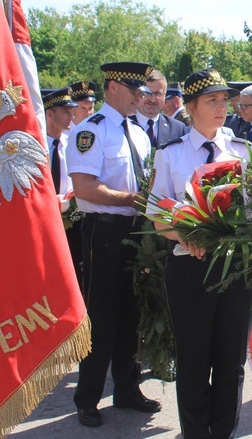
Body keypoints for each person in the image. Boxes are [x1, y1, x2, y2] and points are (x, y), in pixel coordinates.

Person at [148, 68, 252, 438]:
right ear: (191, 107)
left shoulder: (243, 152)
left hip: (238, 268)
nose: (222, 106)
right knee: (194, 364)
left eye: (225, 99)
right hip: (190, 269)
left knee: (231, 365)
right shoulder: (170, 155)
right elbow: (157, 215)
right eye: (212, 100)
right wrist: (184, 236)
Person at [66, 62, 160, 427]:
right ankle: (87, 397)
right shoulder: (90, 132)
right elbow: (85, 188)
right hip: (103, 232)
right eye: (135, 89)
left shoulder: (137, 133)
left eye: (144, 90)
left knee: (133, 313)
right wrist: (132, 200)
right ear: (113, 87)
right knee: (101, 316)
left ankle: (127, 388)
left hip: (136, 231)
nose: (142, 96)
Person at [43, 87, 82, 286]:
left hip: (70, 221)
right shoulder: (36, 145)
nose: (71, 116)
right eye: (65, 111)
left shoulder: (71, 143)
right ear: (50, 114)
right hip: (42, 220)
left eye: (71, 110)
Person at [129, 70, 187, 148]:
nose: (153, 99)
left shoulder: (178, 129)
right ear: (138, 94)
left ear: (165, 95)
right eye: (147, 93)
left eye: (158, 94)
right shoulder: (124, 124)